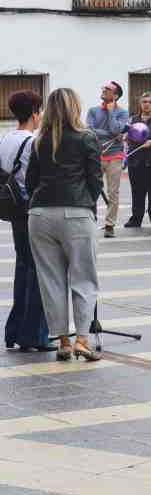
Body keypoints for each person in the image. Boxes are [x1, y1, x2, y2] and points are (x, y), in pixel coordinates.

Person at [24, 88, 104, 362]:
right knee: (83, 278)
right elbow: (95, 181)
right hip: (76, 212)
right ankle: (82, 338)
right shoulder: (87, 138)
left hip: (40, 214)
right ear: (75, 108)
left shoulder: (40, 139)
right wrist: (87, 206)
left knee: (51, 281)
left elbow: (30, 181)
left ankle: (63, 342)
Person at [3, 90, 52, 353]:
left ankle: (13, 331)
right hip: (32, 211)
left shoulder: (5, 139)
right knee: (38, 272)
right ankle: (33, 334)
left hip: (13, 212)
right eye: (40, 110)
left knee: (23, 268)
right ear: (34, 112)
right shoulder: (33, 141)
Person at [85, 80, 128, 238]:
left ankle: (110, 225)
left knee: (113, 192)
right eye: (104, 88)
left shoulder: (123, 113)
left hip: (115, 156)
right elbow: (89, 131)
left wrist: (111, 112)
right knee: (91, 189)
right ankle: (90, 220)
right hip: (95, 155)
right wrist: (109, 133)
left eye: (108, 89)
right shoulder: (93, 111)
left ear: (115, 95)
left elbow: (117, 129)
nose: (103, 90)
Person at [125, 92, 151, 229]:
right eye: (144, 102)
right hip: (136, 163)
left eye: (150, 102)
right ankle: (136, 219)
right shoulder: (133, 120)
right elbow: (127, 138)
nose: (147, 104)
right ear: (140, 104)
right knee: (137, 193)